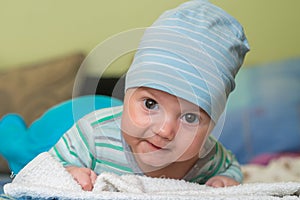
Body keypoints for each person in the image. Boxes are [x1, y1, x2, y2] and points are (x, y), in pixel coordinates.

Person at [49, 0, 250, 191]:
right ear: (127, 92)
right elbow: (47, 167)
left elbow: (230, 167)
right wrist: (69, 173)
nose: (165, 130)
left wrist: (226, 180)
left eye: (190, 117)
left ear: (212, 125)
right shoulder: (92, 136)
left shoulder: (208, 157)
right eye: (151, 104)